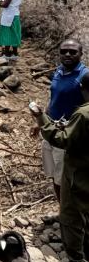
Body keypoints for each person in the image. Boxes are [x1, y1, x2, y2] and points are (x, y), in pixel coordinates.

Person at [31, 72, 89, 262]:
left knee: (71, 217)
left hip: (78, 174)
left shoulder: (83, 114)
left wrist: (41, 118)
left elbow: (61, 139)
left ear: (82, 88)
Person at [41, 40, 89, 202]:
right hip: (51, 128)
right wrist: (40, 121)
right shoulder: (59, 71)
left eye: (72, 51)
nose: (67, 54)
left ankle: (69, 216)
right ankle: (62, 210)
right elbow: (54, 98)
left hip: (69, 133)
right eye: (64, 51)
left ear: (81, 54)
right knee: (53, 174)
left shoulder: (84, 76)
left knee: (64, 177)